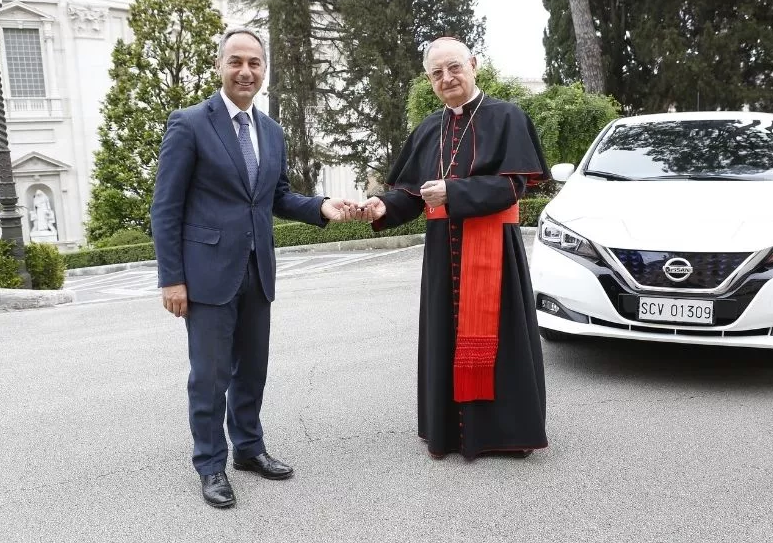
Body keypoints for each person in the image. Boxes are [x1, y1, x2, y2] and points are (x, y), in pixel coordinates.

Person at [151, 27, 358, 509]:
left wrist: (321, 207)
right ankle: (209, 464)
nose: (246, 71)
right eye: (236, 62)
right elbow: (166, 207)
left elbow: (277, 195)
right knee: (210, 374)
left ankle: (248, 448)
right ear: (220, 66)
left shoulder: (271, 131)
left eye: (255, 63)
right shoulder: (189, 123)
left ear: (264, 70)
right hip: (205, 275)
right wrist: (172, 278)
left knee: (253, 371)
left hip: (257, 270)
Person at [359, 37, 550, 460]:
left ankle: (502, 433)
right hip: (444, 256)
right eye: (436, 73)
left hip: (493, 252)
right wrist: (380, 206)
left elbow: (512, 186)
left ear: (473, 65)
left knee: (501, 343)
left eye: (454, 68)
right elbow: (411, 195)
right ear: (430, 80)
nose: (447, 79)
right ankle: (448, 431)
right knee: (445, 336)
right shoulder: (429, 128)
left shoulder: (507, 117)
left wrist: (453, 191)